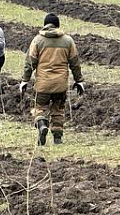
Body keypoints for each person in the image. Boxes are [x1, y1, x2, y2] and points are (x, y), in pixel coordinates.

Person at [18, 13, 84, 146]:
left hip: (43, 84)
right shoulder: (68, 41)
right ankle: (57, 138)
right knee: (58, 110)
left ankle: (42, 124)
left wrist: (25, 80)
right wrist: (79, 80)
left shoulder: (37, 40)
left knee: (39, 107)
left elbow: (30, 62)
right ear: (58, 25)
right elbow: (75, 63)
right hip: (60, 84)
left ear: (45, 25)